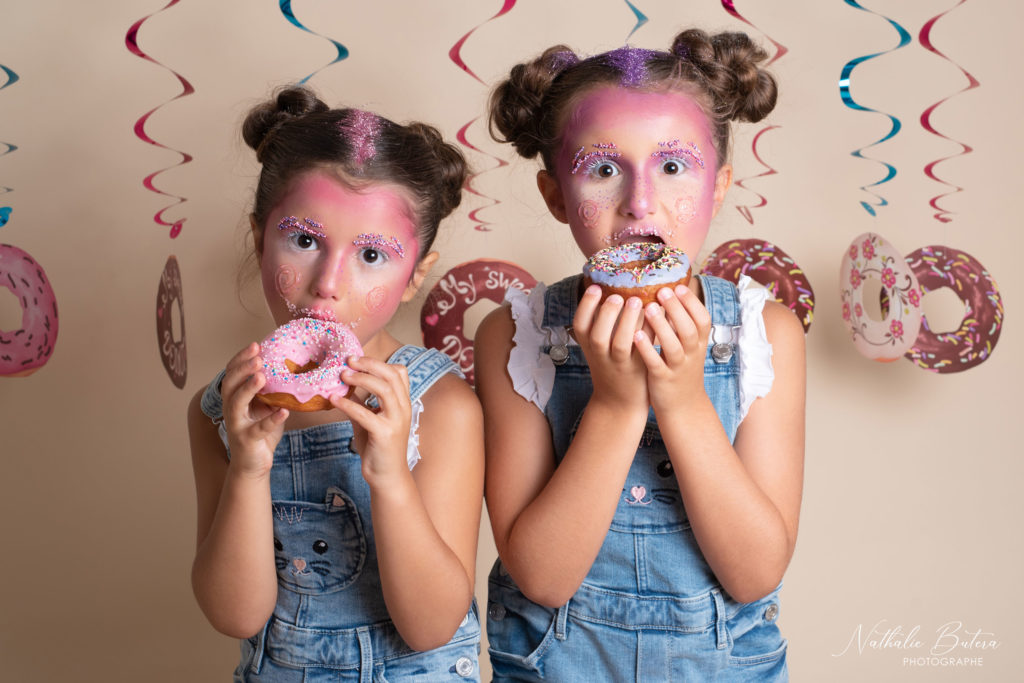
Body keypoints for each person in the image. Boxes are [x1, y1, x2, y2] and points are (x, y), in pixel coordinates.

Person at [475, 29, 805, 681]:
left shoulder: (765, 333)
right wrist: (617, 403)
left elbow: (756, 570)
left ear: (721, 185)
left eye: (674, 166)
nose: (640, 204)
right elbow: (540, 575)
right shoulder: (513, 335)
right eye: (603, 169)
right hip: (558, 661)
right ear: (554, 196)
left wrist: (682, 401)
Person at [188, 86, 484, 682]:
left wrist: (391, 475)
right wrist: (248, 470)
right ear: (258, 237)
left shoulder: (440, 404)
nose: (329, 282)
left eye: (372, 255)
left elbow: (431, 627)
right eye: (303, 240)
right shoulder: (222, 409)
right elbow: (235, 615)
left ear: (413, 277)